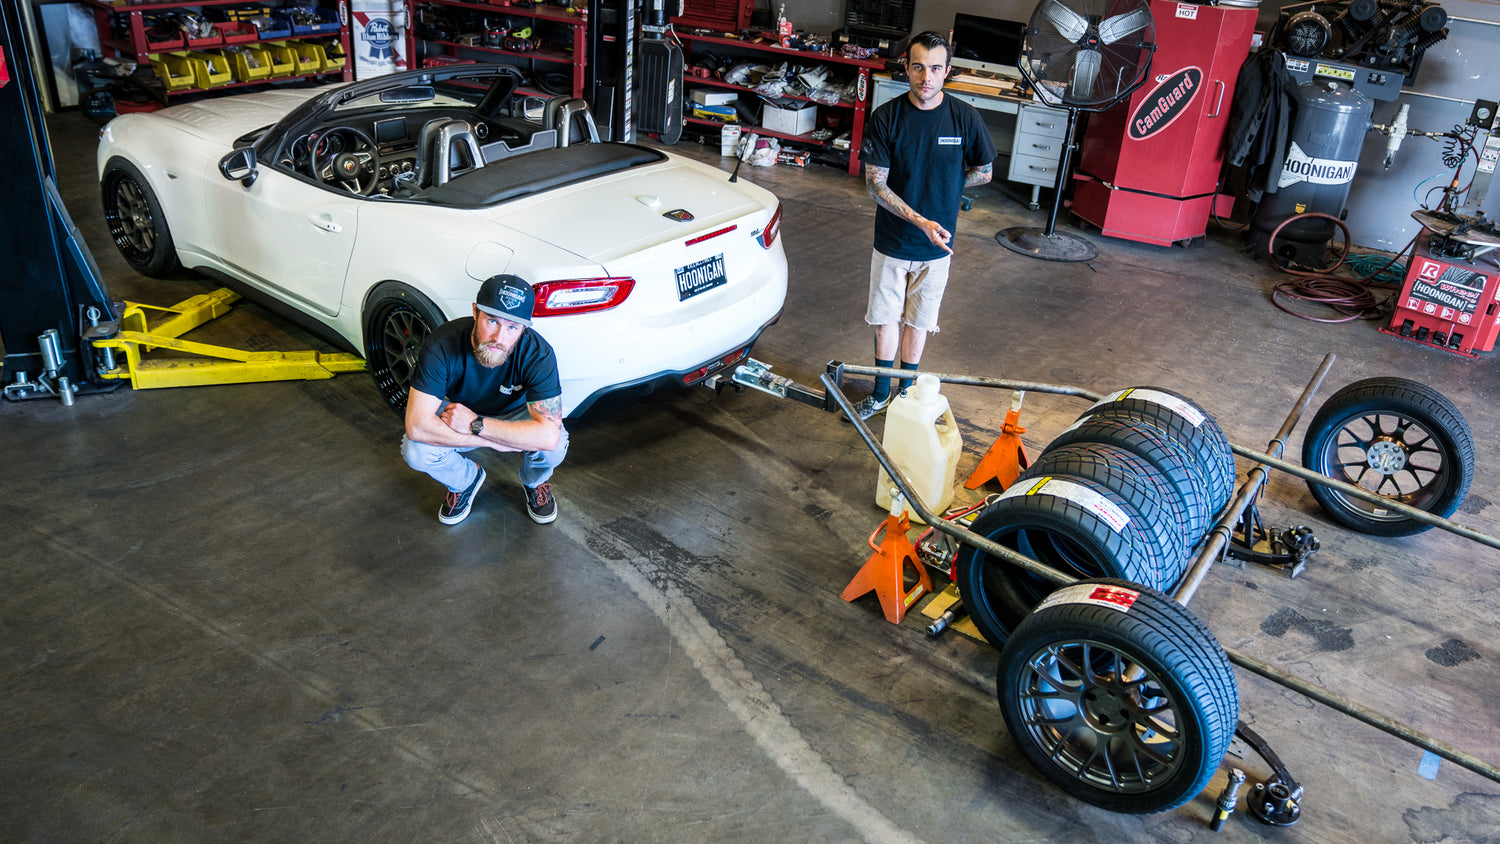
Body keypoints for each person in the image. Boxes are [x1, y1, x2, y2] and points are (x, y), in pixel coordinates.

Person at [852, 31, 996, 420]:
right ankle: (881, 394)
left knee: (918, 322)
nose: (926, 77)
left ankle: (905, 396)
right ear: (907, 68)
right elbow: (875, 184)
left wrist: (948, 186)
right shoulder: (888, 117)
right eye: (918, 67)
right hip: (893, 242)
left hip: (938, 247)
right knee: (885, 321)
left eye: (935, 68)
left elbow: (984, 171)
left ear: (947, 72)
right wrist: (921, 219)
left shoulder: (965, 117)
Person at [401, 274, 568, 526]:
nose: (500, 338)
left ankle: (534, 482)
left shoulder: (538, 354)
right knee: (415, 450)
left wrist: (477, 426)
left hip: (512, 415)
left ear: (524, 328)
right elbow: (416, 425)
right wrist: (495, 442)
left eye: (512, 327)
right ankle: (465, 479)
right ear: (475, 312)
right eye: (492, 321)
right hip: (459, 412)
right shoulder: (441, 345)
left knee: (555, 446)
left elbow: (548, 436)